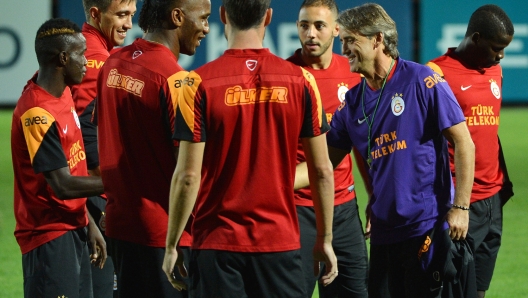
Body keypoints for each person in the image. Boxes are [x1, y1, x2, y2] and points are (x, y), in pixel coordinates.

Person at [297, 3, 476, 297]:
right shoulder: (352, 102)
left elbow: (464, 142)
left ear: (378, 39)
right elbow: (322, 164)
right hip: (382, 233)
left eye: (351, 41)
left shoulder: (421, 80)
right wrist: (276, 184)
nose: (345, 50)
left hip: (425, 226)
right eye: (343, 42)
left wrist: (461, 207)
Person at [162, 0, 338, 297]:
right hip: (279, 243)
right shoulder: (303, 81)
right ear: (268, 17)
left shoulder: (195, 83)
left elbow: (188, 176)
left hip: (217, 244)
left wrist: (172, 244)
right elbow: (322, 170)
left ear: (222, 16)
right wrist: (324, 239)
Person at [94, 0, 211, 297]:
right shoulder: (177, 82)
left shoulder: (112, 63)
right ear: (177, 17)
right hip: (164, 233)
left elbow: (104, 136)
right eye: (204, 18)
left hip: (120, 224)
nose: (207, 28)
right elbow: (187, 169)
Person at [11, 18, 106, 298]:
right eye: (82, 55)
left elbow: (74, 168)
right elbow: (62, 185)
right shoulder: (37, 113)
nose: (87, 63)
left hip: (73, 227)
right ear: (63, 58)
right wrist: (120, 181)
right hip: (48, 237)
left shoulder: (63, 93)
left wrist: (87, 222)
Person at [426, 5, 514, 298]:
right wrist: (457, 206)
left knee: (478, 290)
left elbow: (488, 134)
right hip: (459, 204)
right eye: (496, 48)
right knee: (451, 290)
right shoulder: (435, 74)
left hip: (492, 201)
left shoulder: (495, 70)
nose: (500, 55)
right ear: (476, 38)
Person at [287, 0, 368, 297]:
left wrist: (373, 196)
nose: (311, 33)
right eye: (304, 25)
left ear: (336, 29)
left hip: (344, 209)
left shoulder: (353, 74)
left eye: (319, 26)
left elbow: (361, 143)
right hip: (298, 210)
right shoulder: (285, 77)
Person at [72, 1, 137, 297]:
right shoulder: (96, 60)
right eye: (121, 15)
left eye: (131, 16)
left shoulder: (87, 50)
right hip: (96, 198)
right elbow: (88, 139)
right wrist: (114, 192)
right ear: (96, 14)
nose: (128, 24)